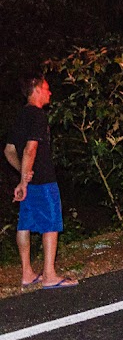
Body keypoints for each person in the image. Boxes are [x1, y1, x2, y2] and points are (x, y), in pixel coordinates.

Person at [4, 74, 78, 289]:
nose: (50, 92)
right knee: (51, 224)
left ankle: (27, 273)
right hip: (43, 181)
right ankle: (49, 275)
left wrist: (24, 176)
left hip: (31, 179)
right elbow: (30, 148)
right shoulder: (37, 115)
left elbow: (9, 151)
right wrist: (25, 180)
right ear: (36, 89)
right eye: (46, 88)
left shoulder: (20, 115)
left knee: (25, 223)